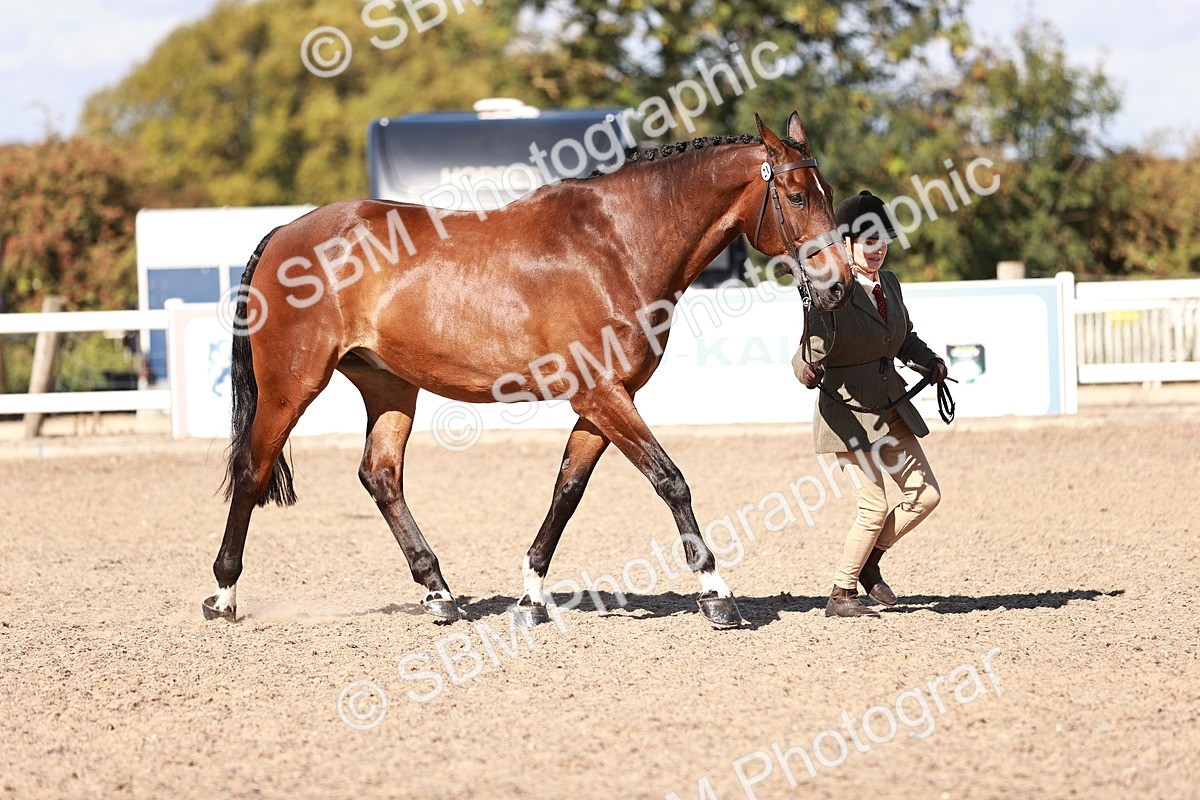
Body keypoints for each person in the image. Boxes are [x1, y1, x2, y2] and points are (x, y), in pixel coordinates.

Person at [792, 190, 949, 618]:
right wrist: (805, 370)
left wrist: (928, 360)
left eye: (883, 239)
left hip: (889, 404)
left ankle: (870, 560)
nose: (878, 248)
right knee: (874, 504)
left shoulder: (891, 284)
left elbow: (903, 337)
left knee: (926, 495)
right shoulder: (830, 290)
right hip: (847, 411)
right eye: (867, 240)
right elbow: (807, 350)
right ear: (846, 245)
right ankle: (841, 593)